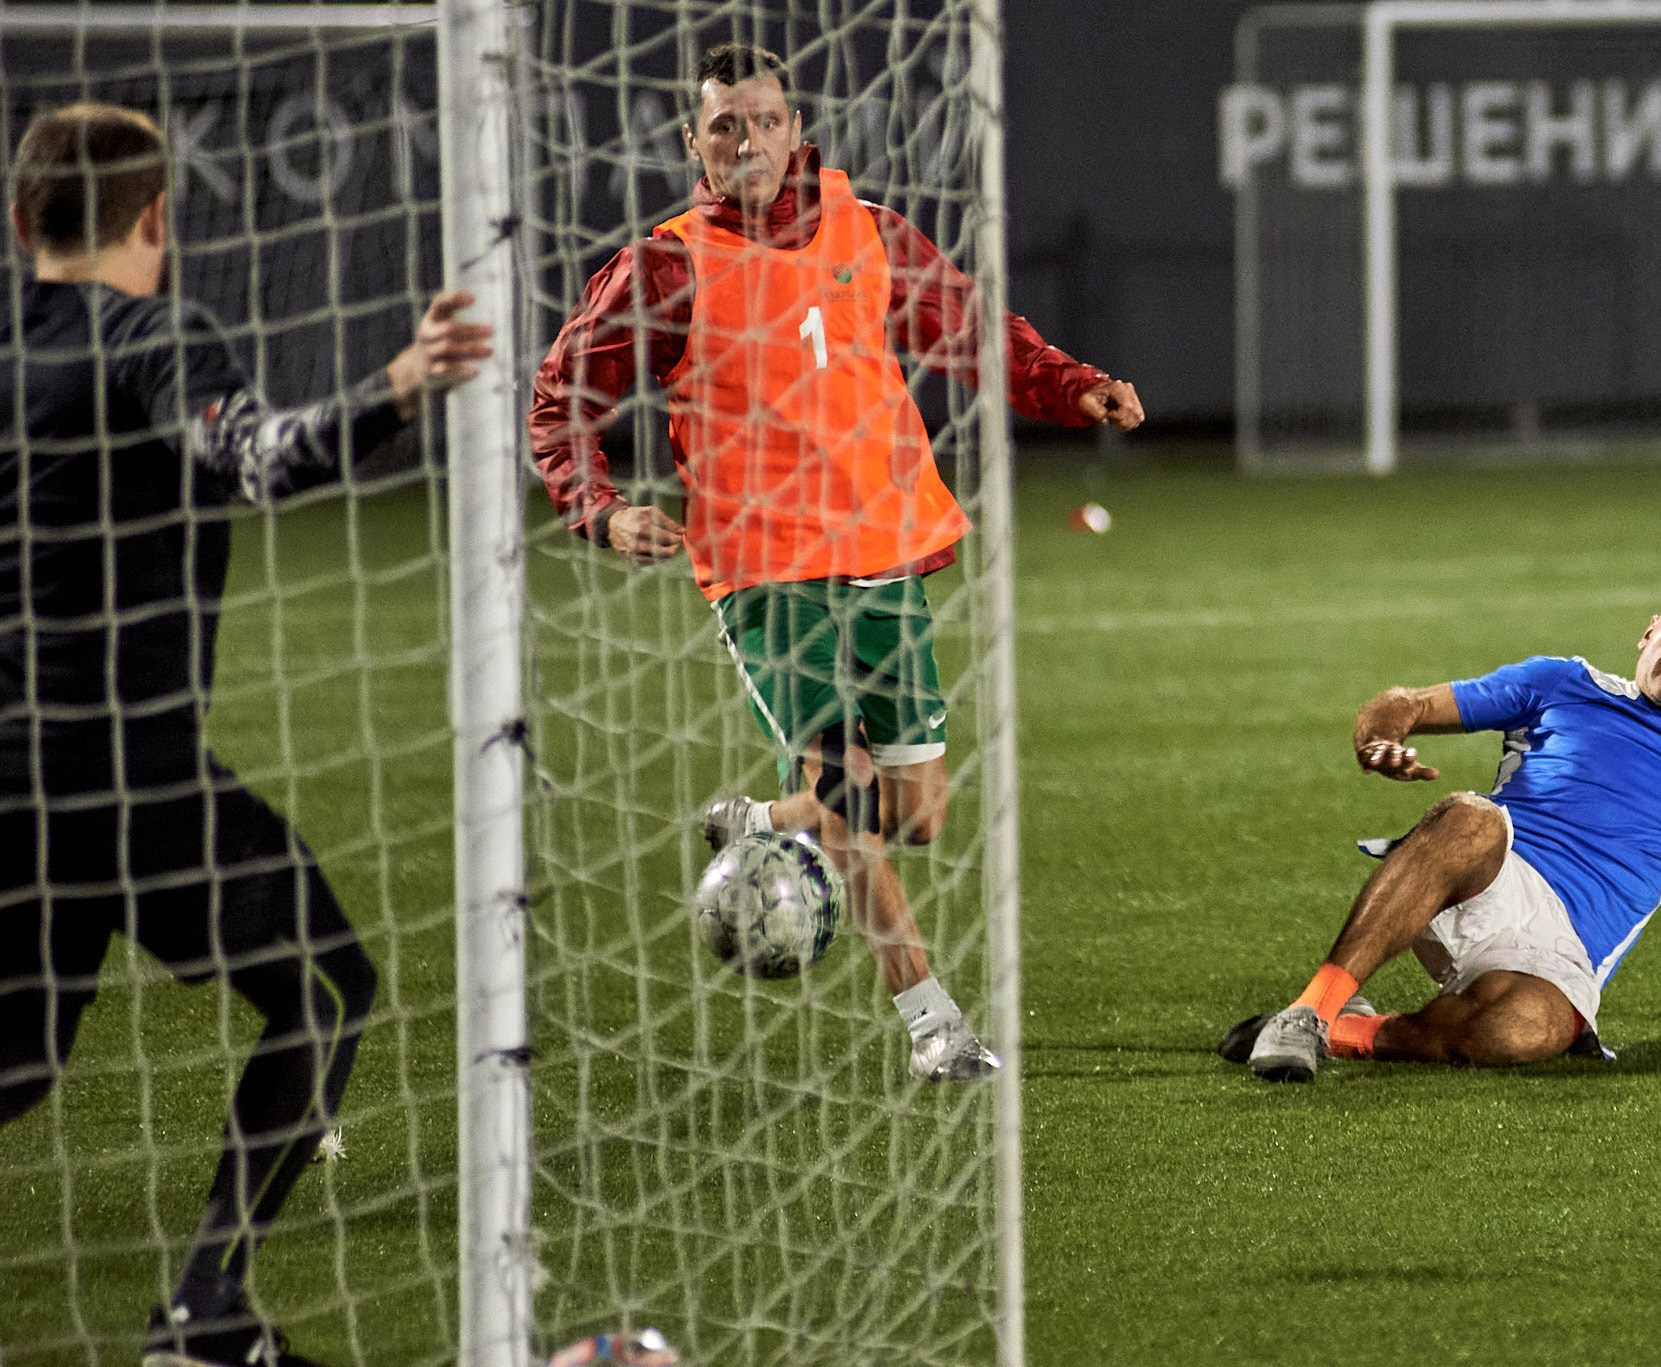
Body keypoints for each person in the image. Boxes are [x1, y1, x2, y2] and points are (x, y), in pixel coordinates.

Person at [529, 43, 1144, 1082]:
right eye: (722, 125)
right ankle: (933, 1023)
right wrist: (601, 508)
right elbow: (560, 400)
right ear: (694, 143)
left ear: (792, 125)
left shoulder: (866, 231)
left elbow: (970, 331)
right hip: (763, 567)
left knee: (917, 812)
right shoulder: (665, 265)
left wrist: (1068, 383)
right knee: (852, 800)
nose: (745, 141)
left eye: (761, 120)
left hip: (882, 551)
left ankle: (760, 819)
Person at [0, 103, 492, 1364]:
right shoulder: (158, 335)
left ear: (20, 224)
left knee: (23, 1058)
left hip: (9, 775)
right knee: (328, 987)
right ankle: (203, 1313)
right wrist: (398, 385)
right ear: (158, 217)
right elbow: (261, 458)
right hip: (127, 768)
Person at [1225, 584, 1661, 1083]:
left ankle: (1349, 1030)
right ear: (1648, 632)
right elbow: (1403, 703)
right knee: (1468, 816)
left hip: (1563, 951)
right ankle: (1307, 1012)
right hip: (1489, 872)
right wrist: (1378, 739)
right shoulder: (1562, 682)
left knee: (1513, 1036)